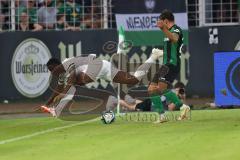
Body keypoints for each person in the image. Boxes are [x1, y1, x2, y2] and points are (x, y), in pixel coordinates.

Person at [40, 49, 164, 117]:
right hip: (103, 67)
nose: (52, 72)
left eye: (52, 69)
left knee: (74, 81)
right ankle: (153, 56)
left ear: (57, 65)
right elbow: (58, 88)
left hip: (96, 65)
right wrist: (46, 104)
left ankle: (56, 109)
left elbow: (72, 77)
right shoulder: (62, 74)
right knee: (133, 80)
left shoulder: (67, 63)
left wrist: (64, 93)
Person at [147, 10, 190, 120]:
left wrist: (163, 28)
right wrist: (161, 53)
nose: (159, 23)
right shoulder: (168, 32)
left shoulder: (176, 29)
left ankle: (183, 107)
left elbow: (174, 39)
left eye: (161, 21)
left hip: (172, 64)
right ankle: (162, 115)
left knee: (161, 88)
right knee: (151, 88)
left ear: (165, 21)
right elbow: (171, 48)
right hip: (166, 64)